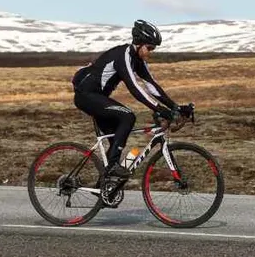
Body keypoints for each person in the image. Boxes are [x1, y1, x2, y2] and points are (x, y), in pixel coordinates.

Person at [72, 20, 191, 184]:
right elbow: (135, 88)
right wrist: (159, 109)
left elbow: (151, 86)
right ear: (139, 43)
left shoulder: (138, 60)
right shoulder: (123, 56)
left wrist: (175, 107)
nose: (150, 52)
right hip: (86, 96)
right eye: (149, 48)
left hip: (98, 98)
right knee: (128, 116)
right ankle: (112, 167)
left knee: (116, 142)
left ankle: (104, 187)